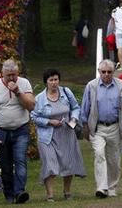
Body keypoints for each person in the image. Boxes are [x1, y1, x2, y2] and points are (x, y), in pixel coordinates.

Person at [80, 59, 122, 198]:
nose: (106, 74)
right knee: (99, 154)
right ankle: (101, 187)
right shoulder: (91, 86)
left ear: (113, 72)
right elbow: (85, 108)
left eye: (109, 72)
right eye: (103, 72)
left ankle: (111, 187)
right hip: (97, 128)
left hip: (115, 127)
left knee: (113, 160)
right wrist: (85, 127)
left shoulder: (121, 85)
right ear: (99, 72)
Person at [31, 69, 86, 202]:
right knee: (50, 164)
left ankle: (67, 192)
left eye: (56, 79)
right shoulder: (39, 98)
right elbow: (33, 116)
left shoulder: (66, 92)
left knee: (68, 163)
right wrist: (49, 122)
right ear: (46, 82)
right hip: (47, 136)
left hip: (66, 133)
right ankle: (50, 195)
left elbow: (76, 107)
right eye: (51, 80)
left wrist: (73, 119)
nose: (54, 83)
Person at [0, 59, 35, 204]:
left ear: (18, 73)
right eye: (8, 75)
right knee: (6, 165)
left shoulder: (24, 83)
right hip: (2, 131)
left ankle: (20, 192)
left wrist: (18, 92)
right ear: (2, 74)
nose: (12, 78)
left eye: (14, 75)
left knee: (20, 161)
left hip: (21, 129)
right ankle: (9, 195)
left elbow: (31, 106)